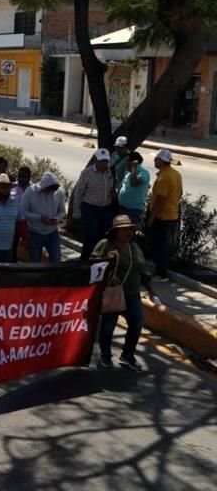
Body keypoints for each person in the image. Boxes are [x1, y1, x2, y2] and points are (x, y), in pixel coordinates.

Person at [93, 216, 158, 370]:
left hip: (132, 294)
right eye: (124, 229)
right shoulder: (106, 245)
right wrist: (107, 262)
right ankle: (105, 355)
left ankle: (127, 355)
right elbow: (93, 266)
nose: (129, 232)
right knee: (108, 326)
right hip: (113, 293)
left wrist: (151, 290)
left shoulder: (135, 247)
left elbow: (143, 271)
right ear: (115, 232)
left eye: (130, 229)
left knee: (136, 324)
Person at [71, 148, 117, 259]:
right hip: (90, 208)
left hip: (105, 208)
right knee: (91, 235)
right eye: (102, 161)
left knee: (103, 236)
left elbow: (114, 186)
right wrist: (76, 212)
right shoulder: (87, 173)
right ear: (96, 160)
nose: (104, 163)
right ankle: (85, 259)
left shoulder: (110, 172)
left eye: (106, 161)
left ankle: (98, 259)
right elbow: (79, 193)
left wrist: (114, 191)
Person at [148, 149, 182, 280]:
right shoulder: (176, 174)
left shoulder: (164, 177)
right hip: (172, 214)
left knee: (159, 246)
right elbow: (180, 193)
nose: (154, 161)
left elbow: (160, 200)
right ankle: (161, 270)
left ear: (162, 161)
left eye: (156, 159)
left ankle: (161, 273)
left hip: (162, 216)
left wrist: (152, 217)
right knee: (163, 245)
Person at [20, 172, 65, 263]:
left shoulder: (59, 192)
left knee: (56, 259)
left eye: (54, 189)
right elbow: (22, 212)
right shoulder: (30, 191)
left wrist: (56, 219)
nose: (52, 191)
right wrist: (39, 218)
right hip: (34, 232)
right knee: (35, 261)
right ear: (44, 187)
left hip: (52, 233)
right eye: (50, 189)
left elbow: (62, 211)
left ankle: (53, 277)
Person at [118, 151, 150, 224]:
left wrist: (134, 169)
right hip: (123, 207)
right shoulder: (128, 173)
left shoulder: (143, 173)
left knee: (129, 231)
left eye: (127, 161)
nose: (125, 164)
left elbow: (133, 183)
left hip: (133, 210)